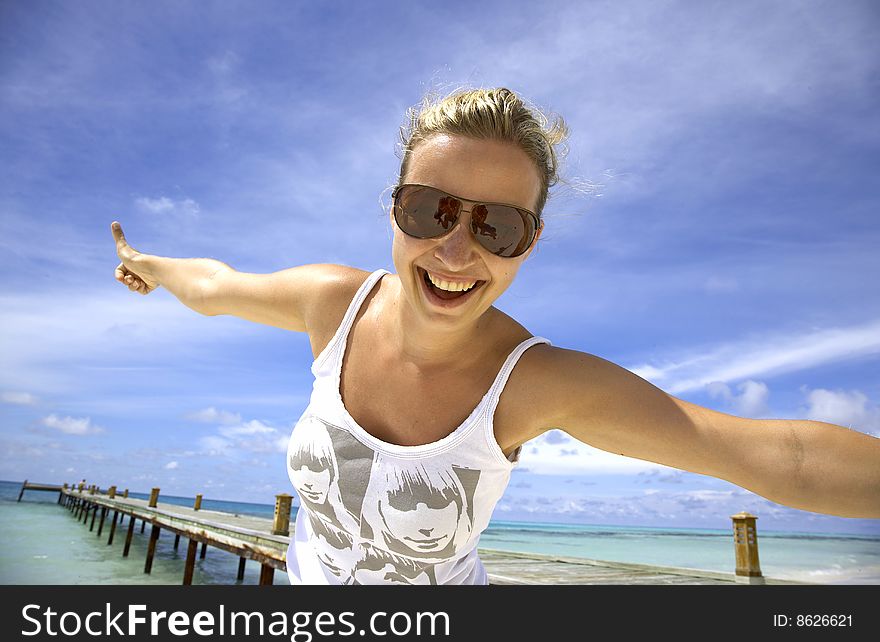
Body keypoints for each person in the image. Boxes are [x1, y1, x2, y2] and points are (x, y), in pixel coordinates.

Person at [110, 87, 880, 585]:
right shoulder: (332, 304)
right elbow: (211, 287)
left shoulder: (531, 381)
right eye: (431, 211)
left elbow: (773, 454)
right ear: (394, 210)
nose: (455, 252)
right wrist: (149, 265)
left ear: (531, 242)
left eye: (497, 226)